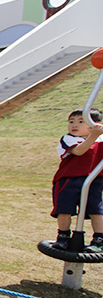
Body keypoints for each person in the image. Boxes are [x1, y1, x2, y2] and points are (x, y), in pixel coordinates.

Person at [51, 108, 103, 252]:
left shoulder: (100, 138)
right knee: (64, 209)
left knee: (96, 210)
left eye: (81, 122)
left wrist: (97, 133)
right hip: (69, 180)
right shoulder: (69, 139)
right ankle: (63, 237)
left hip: (94, 180)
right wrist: (93, 136)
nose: (74, 125)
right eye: (71, 121)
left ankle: (99, 239)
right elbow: (79, 151)